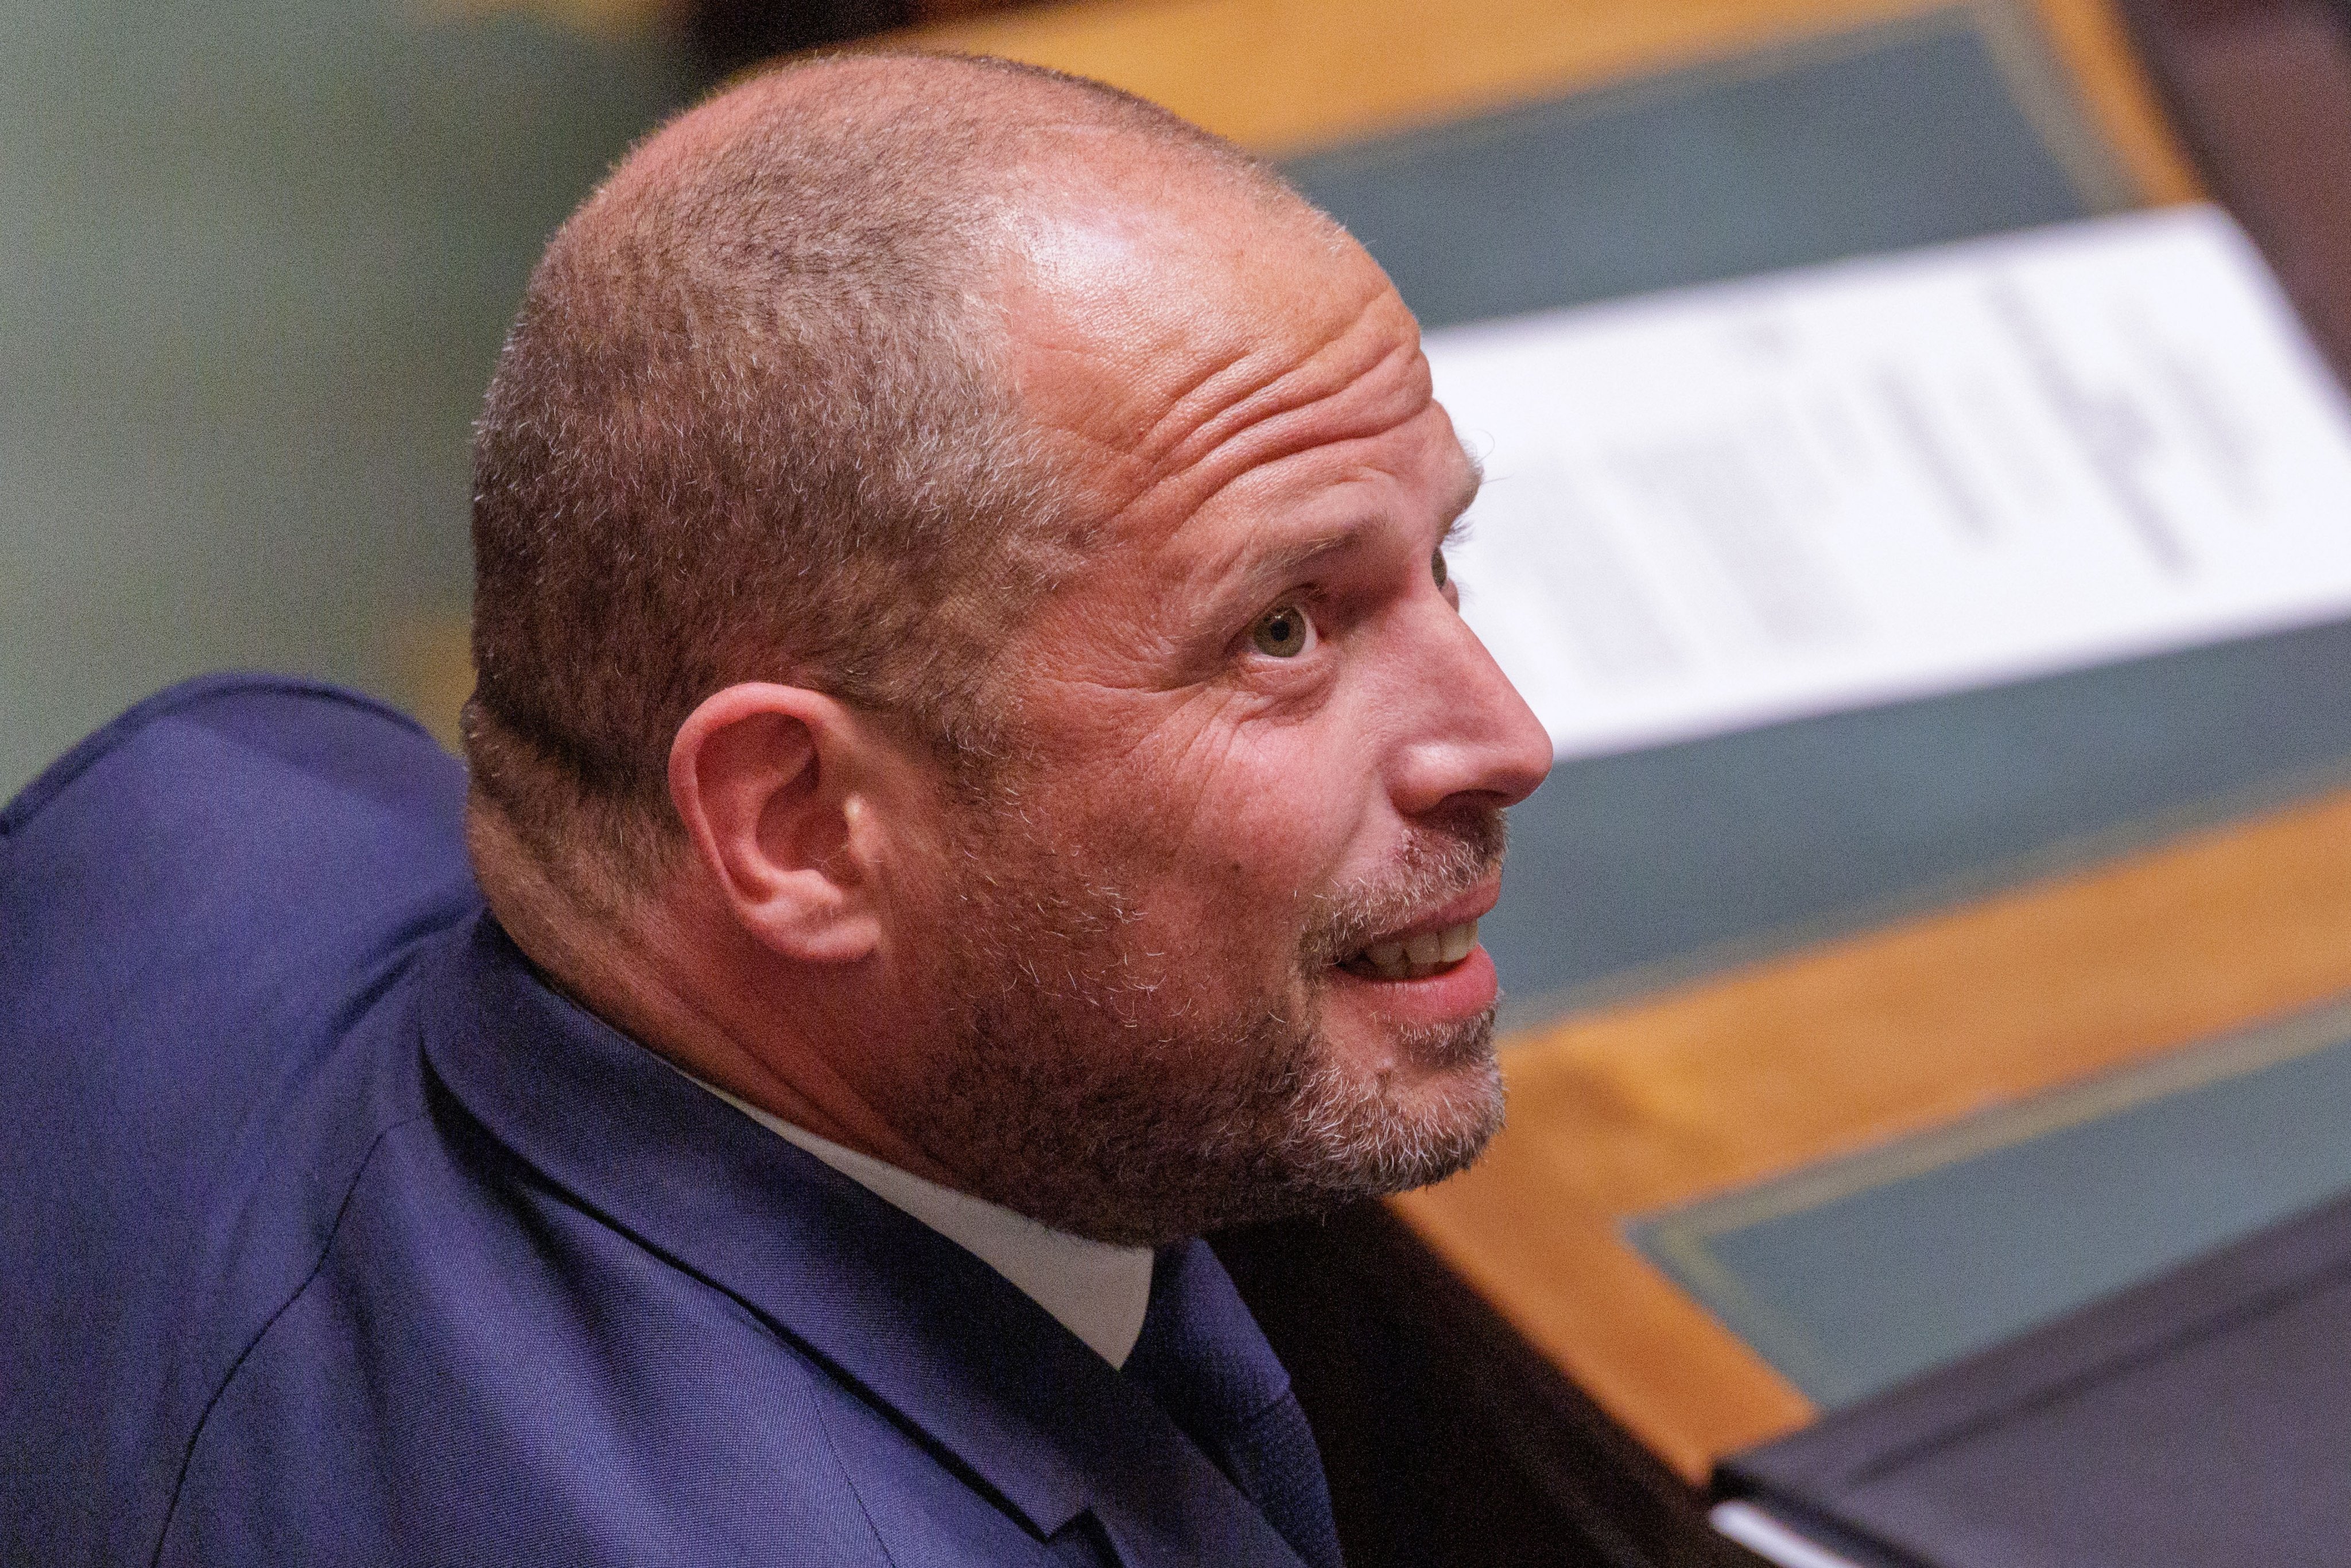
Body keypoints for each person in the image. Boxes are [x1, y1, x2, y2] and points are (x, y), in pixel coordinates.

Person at [0, 52, 1550, 1567]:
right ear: (798, 826)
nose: (1506, 738)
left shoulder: (202, 796)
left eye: (1441, 561)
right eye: (1282, 629)